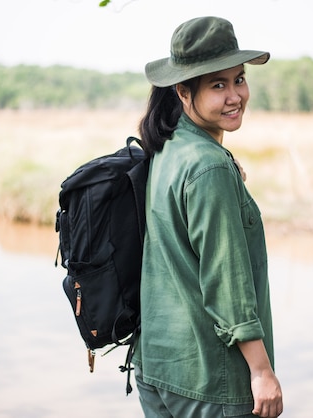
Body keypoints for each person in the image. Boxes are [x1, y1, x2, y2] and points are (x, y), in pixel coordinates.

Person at [132, 16, 283, 418]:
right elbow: (226, 280)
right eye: (218, 85)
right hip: (209, 380)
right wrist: (262, 372)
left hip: (157, 367)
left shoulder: (167, 147)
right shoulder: (207, 166)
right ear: (183, 91)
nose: (235, 95)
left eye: (239, 79)